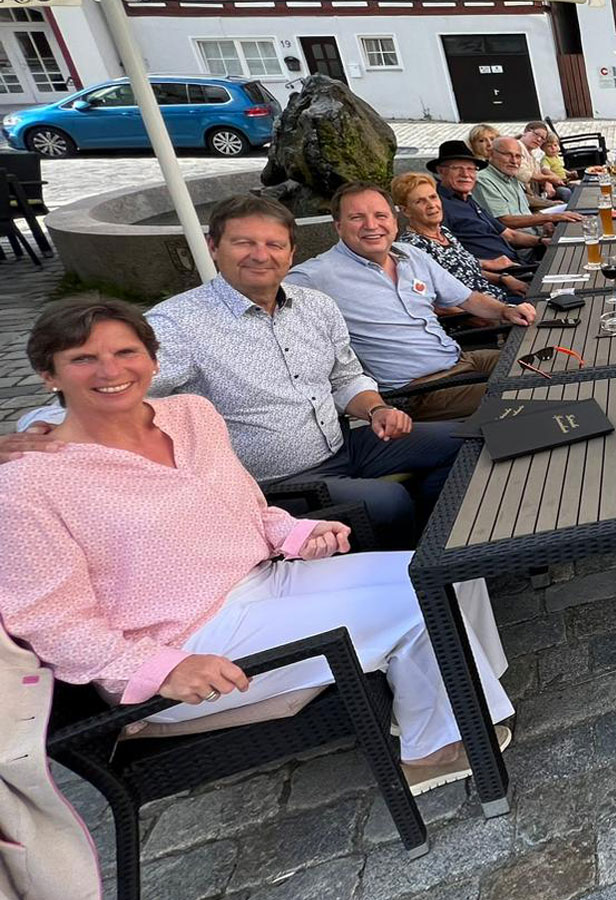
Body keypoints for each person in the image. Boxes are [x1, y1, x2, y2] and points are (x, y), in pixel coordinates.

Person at [0, 298, 514, 793]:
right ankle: (433, 750)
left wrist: (294, 533)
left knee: (444, 570)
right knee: (414, 606)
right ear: (50, 375)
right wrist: (157, 669)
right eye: (83, 358)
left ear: (153, 360)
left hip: (264, 580)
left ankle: (455, 704)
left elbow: (246, 504)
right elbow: (48, 622)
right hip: (183, 642)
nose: (109, 369)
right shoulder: (31, 481)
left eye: (125, 352)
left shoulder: (190, 415)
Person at [12, 194, 462, 551]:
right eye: (244, 243)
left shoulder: (315, 306)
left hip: (347, 442)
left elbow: (345, 376)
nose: (260, 255)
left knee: (466, 440)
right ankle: (405, 568)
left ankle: (429, 536)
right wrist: (40, 430)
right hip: (275, 482)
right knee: (386, 501)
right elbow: (110, 381)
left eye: (273, 244)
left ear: (290, 251)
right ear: (214, 247)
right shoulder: (180, 326)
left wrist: (376, 407)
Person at [287, 182, 536, 421]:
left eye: (380, 215)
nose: (371, 225)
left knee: (550, 367)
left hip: (461, 359)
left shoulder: (411, 254)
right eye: (357, 218)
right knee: (528, 393)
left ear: (395, 222)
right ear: (338, 226)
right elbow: (261, 296)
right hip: (420, 391)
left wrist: (506, 311)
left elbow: (467, 298)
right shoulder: (317, 275)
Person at [395, 172, 527, 301]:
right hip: (482, 313)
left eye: (433, 197)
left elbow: (467, 272)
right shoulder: (412, 247)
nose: (431, 205)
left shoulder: (444, 232)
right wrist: (498, 315)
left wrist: (503, 278)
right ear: (406, 211)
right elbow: (433, 301)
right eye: (420, 201)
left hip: (499, 297)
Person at [429, 140, 545, 264]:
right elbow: (444, 258)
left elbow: (510, 235)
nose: (466, 174)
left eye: (471, 169)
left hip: (516, 263)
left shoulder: (468, 200)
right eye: (457, 168)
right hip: (498, 275)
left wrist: (541, 241)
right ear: (441, 171)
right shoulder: (437, 206)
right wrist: (492, 269)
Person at [474, 137, 583, 231]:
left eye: (518, 156)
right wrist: (550, 217)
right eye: (507, 155)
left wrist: (545, 221)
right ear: (491, 154)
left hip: (536, 233)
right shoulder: (483, 180)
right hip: (523, 246)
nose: (514, 161)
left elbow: (524, 208)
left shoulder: (511, 175)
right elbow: (504, 221)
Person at [515, 121, 570, 204]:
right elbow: (524, 174)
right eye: (536, 134)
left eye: (542, 138)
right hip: (522, 199)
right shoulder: (516, 148)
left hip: (534, 195)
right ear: (526, 131)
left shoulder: (530, 154)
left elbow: (538, 172)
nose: (539, 139)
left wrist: (547, 183)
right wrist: (550, 178)